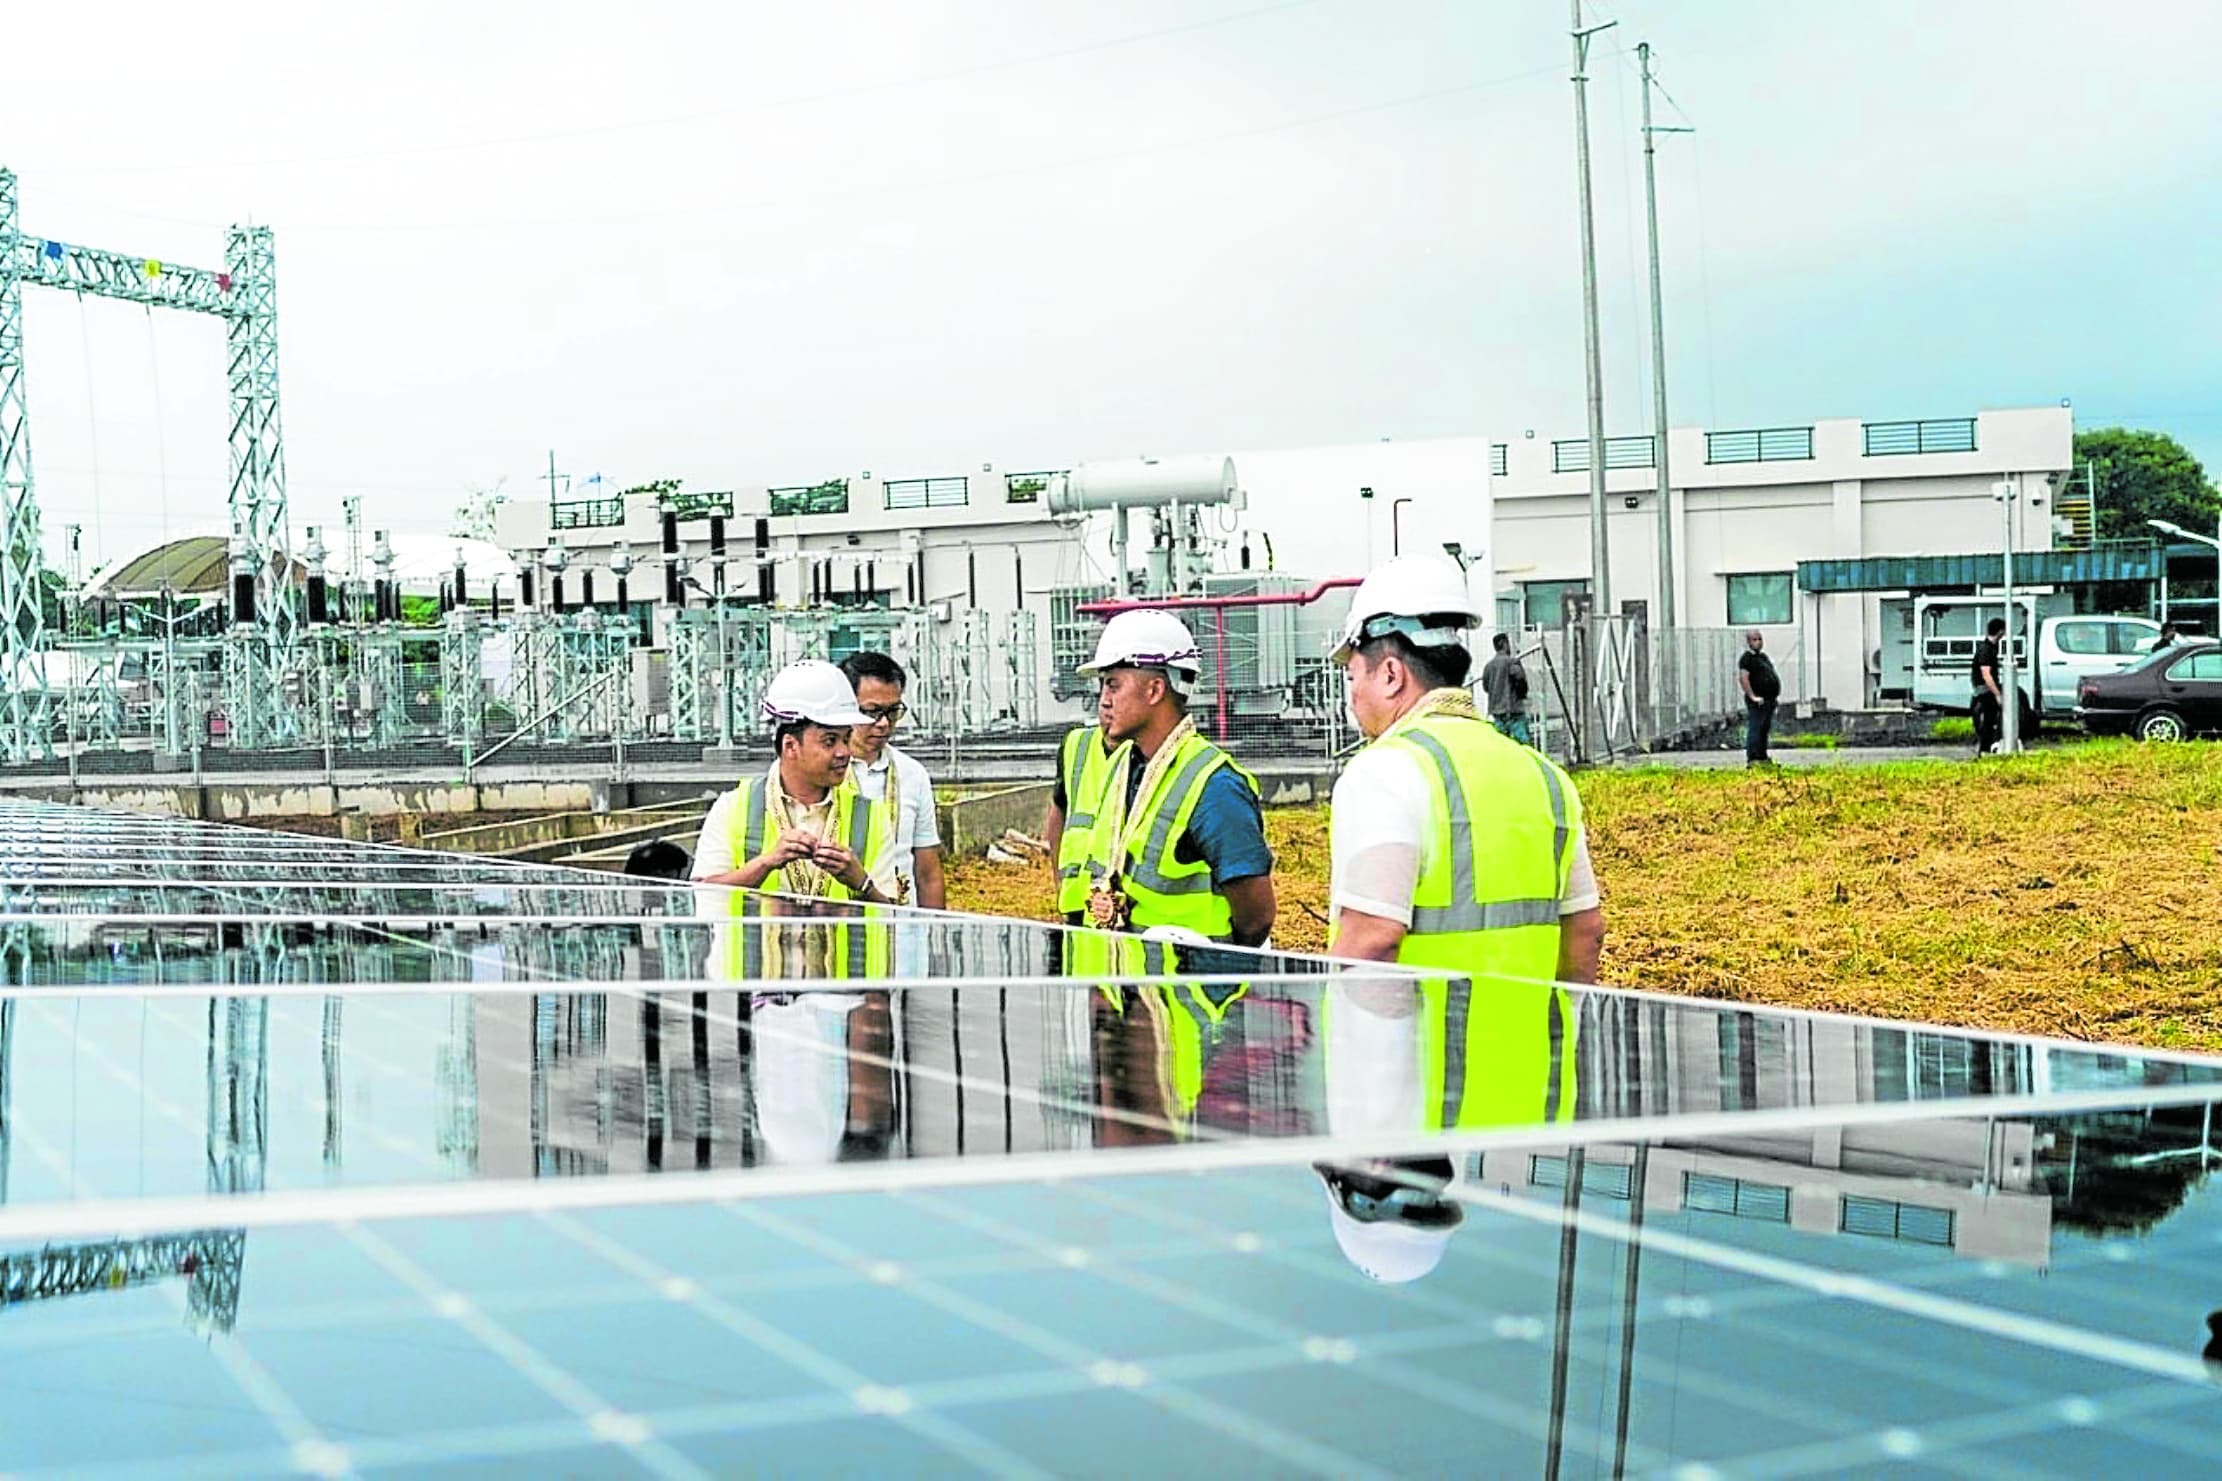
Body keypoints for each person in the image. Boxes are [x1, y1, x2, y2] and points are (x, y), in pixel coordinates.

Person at [1325, 554, 1604, 983]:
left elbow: (1371, 941)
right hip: (1533, 1051)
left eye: (1352, 678)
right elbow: (1585, 933)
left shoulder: (1384, 773)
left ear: (1391, 675)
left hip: (1426, 1052)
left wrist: (1344, 1044)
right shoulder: (1544, 776)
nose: (1353, 697)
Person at [1074, 609, 1276, 946]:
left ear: (1154, 690)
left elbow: (1256, 918)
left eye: (1113, 684)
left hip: (1192, 991)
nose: (1104, 700)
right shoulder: (1123, 764)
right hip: (1124, 985)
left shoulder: (1215, 787)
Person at [690, 659, 899, 903]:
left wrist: (860, 882)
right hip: (758, 944)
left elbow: (893, 916)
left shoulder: (871, 816)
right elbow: (701, 895)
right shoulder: (733, 808)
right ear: (791, 745)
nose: (844, 752)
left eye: (846, 738)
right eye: (830, 741)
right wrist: (766, 863)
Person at [838, 651, 945, 909]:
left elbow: (928, 872)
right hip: (835, 922)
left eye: (893, 711)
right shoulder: (820, 771)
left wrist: (935, 931)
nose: (884, 724)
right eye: (872, 712)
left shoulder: (912, 774)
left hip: (899, 924)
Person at [1045, 719, 1121, 924]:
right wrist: (1060, 885)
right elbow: (1058, 813)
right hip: (1077, 903)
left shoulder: (1150, 754)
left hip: (1125, 909)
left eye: (1116, 687)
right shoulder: (1077, 745)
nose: (1107, 702)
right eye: (1106, 689)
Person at [1479, 632, 1532, 745]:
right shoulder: (1512, 662)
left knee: (1501, 744)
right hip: (1513, 709)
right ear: (1504, 644)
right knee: (1523, 744)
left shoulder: (1488, 666)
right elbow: (1520, 680)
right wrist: (1522, 694)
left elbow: (1486, 687)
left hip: (1496, 711)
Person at [1737, 629, 1780, 766]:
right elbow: (1744, 678)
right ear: (1749, 642)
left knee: (1764, 729)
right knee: (1756, 728)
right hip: (1757, 701)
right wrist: (1753, 696)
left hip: (1769, 700)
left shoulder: (1763, 657)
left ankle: (1762, 756)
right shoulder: (1747, 659)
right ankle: (1753, 758)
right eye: (1754, 640)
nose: (1758, 642)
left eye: (1760, 639)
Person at [1971, 616, 2006, 756]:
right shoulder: (1986, 650)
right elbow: (1986, 674)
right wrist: (1997, 694)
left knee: (1989, 722)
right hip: (1985, 691)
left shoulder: (1989, 648)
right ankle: (1985, 750)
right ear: (2000, 631)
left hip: (1983, 690)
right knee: (1988, 722)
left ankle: (1987, 749)